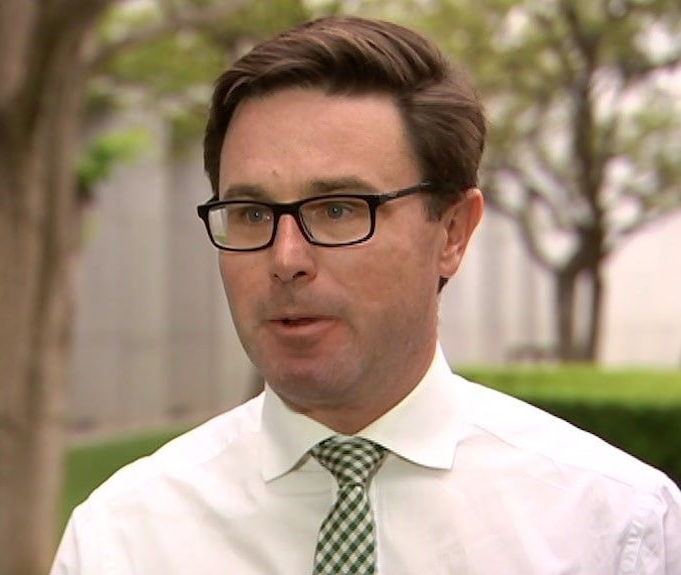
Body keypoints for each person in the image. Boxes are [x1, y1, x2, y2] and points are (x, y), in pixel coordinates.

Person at [51, 15, 681, 574]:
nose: (285, 259)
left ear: (453, 233)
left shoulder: (615, 527)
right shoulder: (122, 537)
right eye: (249, 213)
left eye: (339, 209)